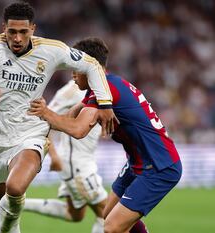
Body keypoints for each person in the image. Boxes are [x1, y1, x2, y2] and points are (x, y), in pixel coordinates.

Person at [0, 2, 116, 232]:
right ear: (4, 29)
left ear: (33, 29)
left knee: (16, 187)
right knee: (2, 207)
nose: (17, 38)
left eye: (23, 31)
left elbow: (92, 65)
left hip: (30, 133)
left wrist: (105, 102)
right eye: (12, 32)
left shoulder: (52, 50)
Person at [28, 37, 182, 233]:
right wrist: (39, 117)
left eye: (75, 66)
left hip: (159, 165)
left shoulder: (106, 91)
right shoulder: (102, 88)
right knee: (107, 218)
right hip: (138, 163)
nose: (72, 73)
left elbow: (77, 130)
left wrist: (45, 112)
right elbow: (67, 120)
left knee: (111, 228)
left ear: (89, 66)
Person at [23, 78, 107, 233]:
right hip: (76, 164)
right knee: (107, 214)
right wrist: (53, 155)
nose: (74, 75)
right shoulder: (70, 92)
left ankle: (16, 204)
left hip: (82, 161)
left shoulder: (98, 88)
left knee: (75, 214)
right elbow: (43, 119)